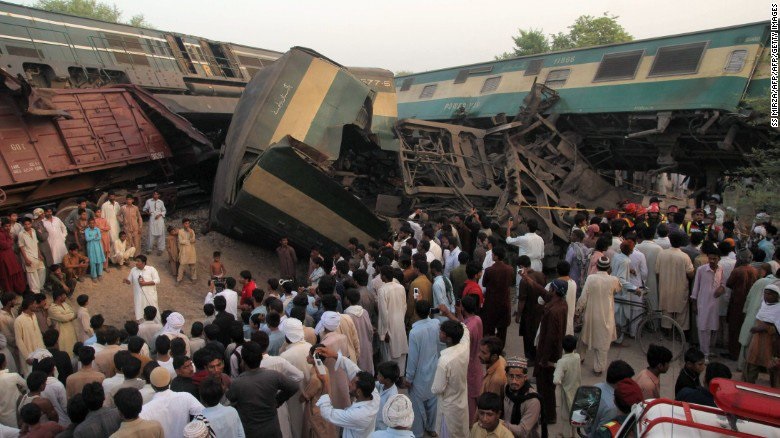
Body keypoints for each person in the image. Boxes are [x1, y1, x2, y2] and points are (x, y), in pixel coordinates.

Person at [225, 341, 298, 437]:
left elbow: (231, 399)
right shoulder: (273, 376)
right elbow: (294, 387)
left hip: (251, 432)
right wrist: (278, 401)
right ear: (260, 358)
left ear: (243, 361)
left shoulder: (237, 383)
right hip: (272, 430)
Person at [315, 345, 380, 438]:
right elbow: (354, 369)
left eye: (352, 384)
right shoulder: (373, 393)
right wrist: (334, 355)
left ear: (359, 392)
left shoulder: (359, 415)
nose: (349, 384)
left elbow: (328, 413)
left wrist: (326, 382)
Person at [575, 256, 621, 374]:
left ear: (597, 266)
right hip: (606, 316)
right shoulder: (613, 280)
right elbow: (618, 289)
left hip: (591, 315)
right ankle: (598, 368)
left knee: (584, 337)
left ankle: (580, 357)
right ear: (609, 268)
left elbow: (583, 298)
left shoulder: (591, 278)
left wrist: (577, 312)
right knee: (603, 344)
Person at [402, 300, 440, 438]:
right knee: (432, 401)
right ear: (429, 312)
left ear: (416, 313)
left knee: (417, 407)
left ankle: (418, 433)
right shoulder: (436, 324)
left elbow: (412, 358)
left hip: (419, 374)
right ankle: (431, 427)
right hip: (434, 368)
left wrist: (409, 378)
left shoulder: (414, 332)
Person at [535, 279, 568, 424]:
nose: (548, 290)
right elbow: (543, 292)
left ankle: (548, 415)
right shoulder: (562, 304)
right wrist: (528, 279)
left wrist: (544, 359)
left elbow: (550, 338)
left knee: (545, 387)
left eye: (550, 289)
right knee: (547, 386)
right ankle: (548, 413)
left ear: (554, 291)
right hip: (553, 352)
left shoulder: (554, 311)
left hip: (548, 354)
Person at [140, 366, 204, 437]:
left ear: (152, 385)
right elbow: (203, 413)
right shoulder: (185, 397)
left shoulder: (145, 410)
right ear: (170, 380)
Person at [432, 320, 470, 438]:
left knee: (448, 433)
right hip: (461, 401)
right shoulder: (464, 346)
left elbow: (437, 389)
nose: (439, 334)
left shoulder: (444, 361)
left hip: (448, 407)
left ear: (448, 338)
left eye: (442, 332)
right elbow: (466, 329)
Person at [656, 232, 695, 332]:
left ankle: (667, 332)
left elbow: (657, 272)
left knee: (666, 310)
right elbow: (690, 274)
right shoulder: (684, 256)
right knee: (682, 312)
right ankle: (679, 333)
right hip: (680, 289)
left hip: (665, 288)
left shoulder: (661, 254)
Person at [743, 282, 780, 386]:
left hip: (771, 343)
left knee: (773, 368)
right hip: (757, 341)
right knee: (751, 364)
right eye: (765, 293)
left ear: (776, 296)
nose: (766, 296)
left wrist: (766, 328)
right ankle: (748, 386)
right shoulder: (763, 305)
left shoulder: (778, 309)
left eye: (770, 294)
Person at [691, 248, 725, 360]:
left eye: (714, 259)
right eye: (710, 258)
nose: (711, 261)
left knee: (712, 328)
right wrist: (694, 303)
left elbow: (723, 284)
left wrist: (721, 288)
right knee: (703, 329)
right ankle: (704, 354)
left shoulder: (720, 269)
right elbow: (696, 287)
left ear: (719, 259)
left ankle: (708, 351)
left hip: (715, 305)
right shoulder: (701, 270)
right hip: (703, 304)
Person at [588, 360, 635, 436]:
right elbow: (602, 433)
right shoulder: (613, 407)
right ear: (619, 382)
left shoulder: (597, 386)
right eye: (628, 382)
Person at [377, 266, 408, 374]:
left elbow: (384, 313)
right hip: (400, 322)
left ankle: (391, 376)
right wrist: (400, 319)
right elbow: (404, 306)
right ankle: (400, 374)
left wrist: (385, 331)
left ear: (384, 276)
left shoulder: (382, 290)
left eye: (381, 274)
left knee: (389, 353)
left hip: (389, 325)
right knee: (400, 350)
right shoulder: (401, 287)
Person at [502, 356, 543, 438]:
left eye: (518, 376)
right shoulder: (506, 389)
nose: (514, 381)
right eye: (511, 376)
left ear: (525, 377)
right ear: (506, 376)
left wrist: (500, 424)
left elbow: (523, 431)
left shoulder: (533, 401)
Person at [516, 255, 546, 363]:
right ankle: (537, 354)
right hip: (540, 309)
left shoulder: (524, 281)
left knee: (528, 335)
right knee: (537, 333)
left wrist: (518, 315)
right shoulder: (541, 275)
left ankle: (531, 357)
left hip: (529, 311)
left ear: (522, 267)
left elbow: (522, 300)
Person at [481, 246, 513, 344]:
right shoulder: (510, 269)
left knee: (489, 328)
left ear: (496, 256)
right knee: (502, 330)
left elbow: (484, 284)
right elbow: (510, 283)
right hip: (504, 302)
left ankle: (490, 347)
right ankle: (500, 347)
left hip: (491, 302)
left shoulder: (489, 270)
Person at [553, 335, 580, 438]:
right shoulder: (577, 357)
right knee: (575, 413)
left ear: (562, 347)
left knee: (565, 415)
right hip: (577, 390)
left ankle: (566, 435)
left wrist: (560, 380)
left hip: (566, 391)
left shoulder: (562, 362)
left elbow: (556, 380)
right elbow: (567, 366)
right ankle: (575, 434)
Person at [344, 289, 374, 375]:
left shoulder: (347, 315)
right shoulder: (364, 312)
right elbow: (370, 330)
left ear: (347, 300)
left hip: (355, 346)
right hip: (366, 343)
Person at [123, 255, 160, 322]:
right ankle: (142, 326)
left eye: (138, 261)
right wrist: (126, 281)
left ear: (143, 263)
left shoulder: (151, 269)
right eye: (136, 261)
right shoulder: (133, 270)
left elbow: (157, 280)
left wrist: (145, 283)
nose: (136, 263)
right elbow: (130, 281)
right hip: (138, 296)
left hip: (150, 295)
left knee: (153, 310)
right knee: (140, 310)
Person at [14, 295, 44, 376]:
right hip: (29, 354)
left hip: (40, 352)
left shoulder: (34, 316)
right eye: (34, 303)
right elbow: (19, 340)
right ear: (29, 305)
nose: (36, 305)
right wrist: (27, 357)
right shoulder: (19, 320)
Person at [18, 217, 46, 292]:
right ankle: (35, 291)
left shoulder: (33, 230)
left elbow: (36, 243)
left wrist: (39, 254)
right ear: (23, 225)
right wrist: (26, 259)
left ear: (31, 224)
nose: (27, 226)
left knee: (42, 269)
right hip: (28, 255)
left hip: (36, 254)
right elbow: (21, 247)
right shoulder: (21, 234)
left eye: (28, 224)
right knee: (32, 274)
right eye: (25, 224)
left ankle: (40, 288)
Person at [0, 217, 26, 294]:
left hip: (10, 256)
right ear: (2, 226)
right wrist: (10, 241)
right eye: (6, 226)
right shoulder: (1, 234)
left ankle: (18, 291)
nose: (8, 228)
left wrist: (10, 241)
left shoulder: (7, 233)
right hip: (4, 258)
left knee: (15, 273)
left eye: (9, 226)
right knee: (7, 276)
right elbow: (4, 245)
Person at [47, 291, 77, 357]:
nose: (65, 296)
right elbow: (63, 318)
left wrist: (68, 315)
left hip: (71, 331)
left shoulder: (65, 304)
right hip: (62, 334)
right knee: (66, 351)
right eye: (64, 295)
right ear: (58, 297)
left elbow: (74, 312)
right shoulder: (52, 308)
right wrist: (69, 315)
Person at [0, 353, 26, 427]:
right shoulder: (13, 376)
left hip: (2, 420)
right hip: (17, 416)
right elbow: (28, 385)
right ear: (4, 363)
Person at [142, 191, 166, 256]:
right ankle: (149, 249)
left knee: (161, 234)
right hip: (152, 218)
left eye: (157, 194)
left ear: (159, 195)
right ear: (152, 195)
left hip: (160, 219)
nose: (155, 195)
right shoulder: (148, 201)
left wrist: (160, 214)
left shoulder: (161, 202)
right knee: (151, 234)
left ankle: (160, 249)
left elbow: (164, 210)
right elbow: (144, 209)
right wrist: (148, 213)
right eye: (154, 194)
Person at [177, 218, 197, 283]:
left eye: (188, 223)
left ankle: (193, 278)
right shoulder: (180, 231)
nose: (187, 225)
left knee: (192, 265)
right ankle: (179, 279)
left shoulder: (192, 231)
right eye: (186, 223)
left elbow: (193, 240)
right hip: (184, 251)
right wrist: (188, 241)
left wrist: (190, 233)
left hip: (191, 250)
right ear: (183, 224)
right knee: (182, 265)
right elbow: (181, 241)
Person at [93, 209, 111, 273]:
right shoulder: (94, 220)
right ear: (95, 213)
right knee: (100, 252)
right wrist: (102, 229)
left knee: (106, 252)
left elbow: (109, 227)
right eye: (98, 212)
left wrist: (101, 228)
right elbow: (95, 229)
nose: (99, 213)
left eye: (100, 212)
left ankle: (106, 266)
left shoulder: (104, 219)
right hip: (99, 238)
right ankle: (100, 267)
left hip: (106, 238)